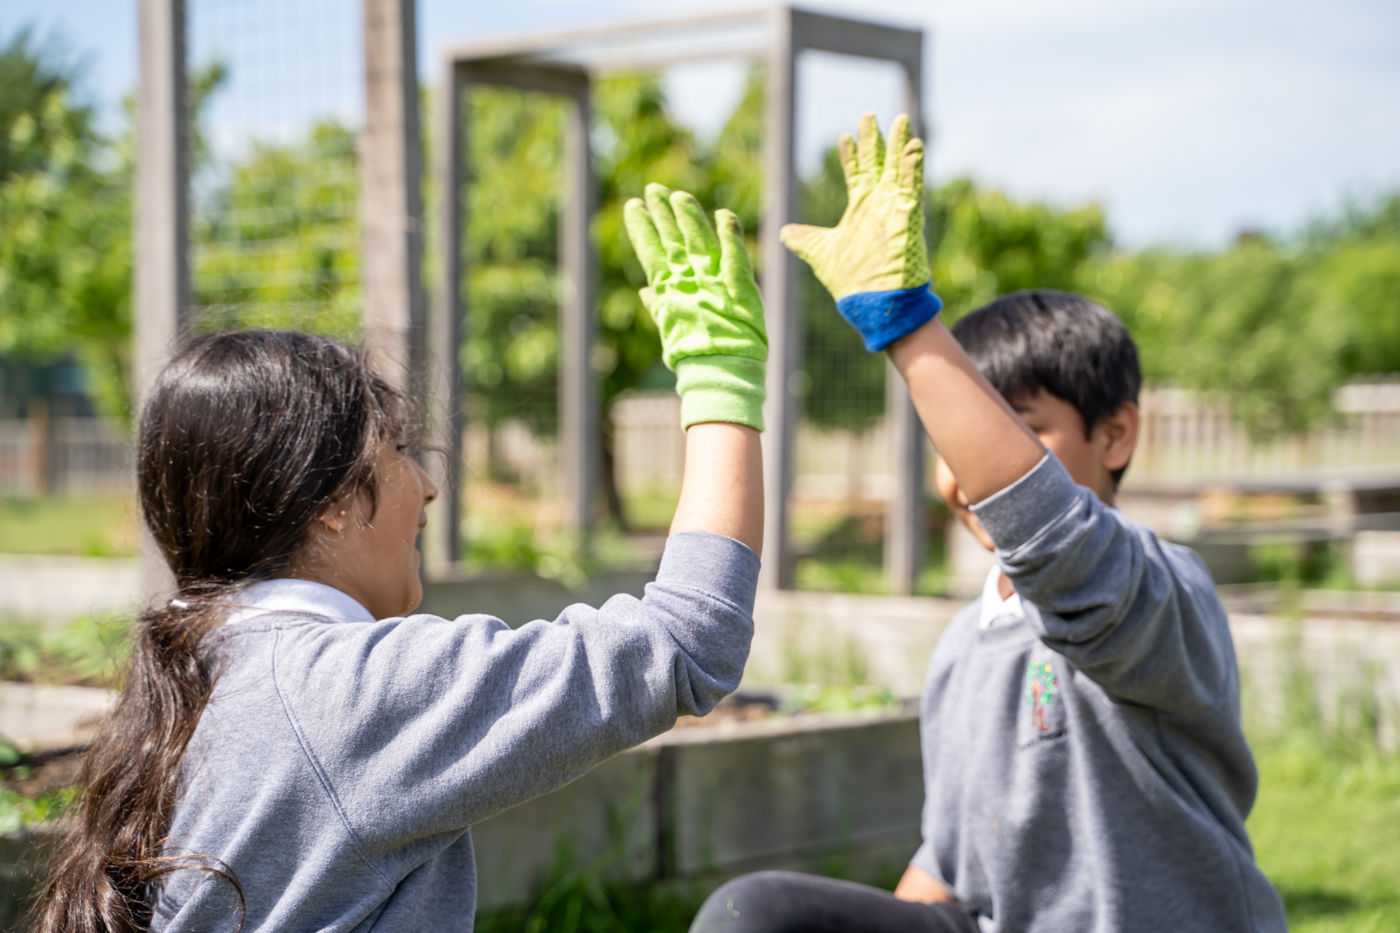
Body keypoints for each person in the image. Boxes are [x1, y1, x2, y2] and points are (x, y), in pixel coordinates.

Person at [32, 187, 768, 932]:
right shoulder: (351, 693)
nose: (427, 486)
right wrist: (721, 376)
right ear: (330, 503)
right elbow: (687, 639)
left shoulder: (201, 671)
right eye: (398, 453)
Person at [690, 113, 1288, 933]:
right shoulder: (964, 648)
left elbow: (1057, 542)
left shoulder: (1157, 592)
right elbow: (949, 866)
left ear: (1116, 434)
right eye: (959, 433)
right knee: (753, 913)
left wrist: (906, 327)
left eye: (1020, 427)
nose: (970, 465)